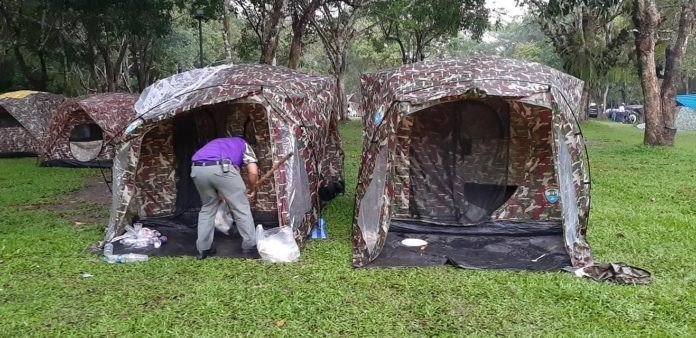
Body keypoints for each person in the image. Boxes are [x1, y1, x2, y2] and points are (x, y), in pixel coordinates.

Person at [190, 136, 259, 259]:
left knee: (207, 207)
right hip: (223, 167)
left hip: (197, 169)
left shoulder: (217, 143)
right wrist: (252, 188)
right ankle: (250, 246)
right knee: (241, 207)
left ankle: (203, 249)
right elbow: (253, 171)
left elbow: (213, 175)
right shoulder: (244, 144)